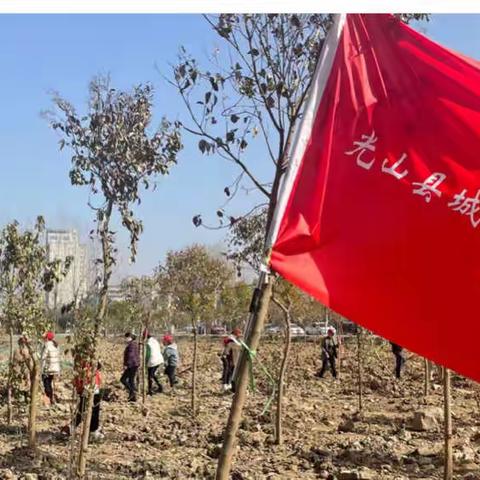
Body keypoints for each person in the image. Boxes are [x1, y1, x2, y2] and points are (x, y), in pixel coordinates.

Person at [62, 361, 103, 441]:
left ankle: (73, 427)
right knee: (91, 410)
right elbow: (85, 375)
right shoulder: (86, 363)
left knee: (85, 410)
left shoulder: (85, 362)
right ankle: (92, 431)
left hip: (90, 387)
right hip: (89, 388)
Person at [41, 331, 60, 405]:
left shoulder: (47, 345)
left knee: (46, 382)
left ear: (46, 338)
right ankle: (51, 397)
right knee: (49, 382)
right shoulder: (56, 345)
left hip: (49, 368)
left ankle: (49, 398)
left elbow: (43, 357)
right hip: (55, 368)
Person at [120, 332, 139, 402]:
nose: (125, 339)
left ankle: (132, 392)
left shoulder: (131, 345)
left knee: (123, 379)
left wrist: (126, 365)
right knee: (131, 380)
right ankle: (133, 398)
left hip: (132, 365)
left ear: (130, 338)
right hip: (134, 364)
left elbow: (131, 356)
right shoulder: (133, 344)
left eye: (126, 337)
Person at [223, 328, 242, 392]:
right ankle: (228, 385)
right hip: (232, 360)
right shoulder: (231, 341)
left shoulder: (237, 341)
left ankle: (230, 385)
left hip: (235, 360)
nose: (240, 335)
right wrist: (225, 356)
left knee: (232, 373)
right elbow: (226, 351)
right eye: (239, 334)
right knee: (230, 372)